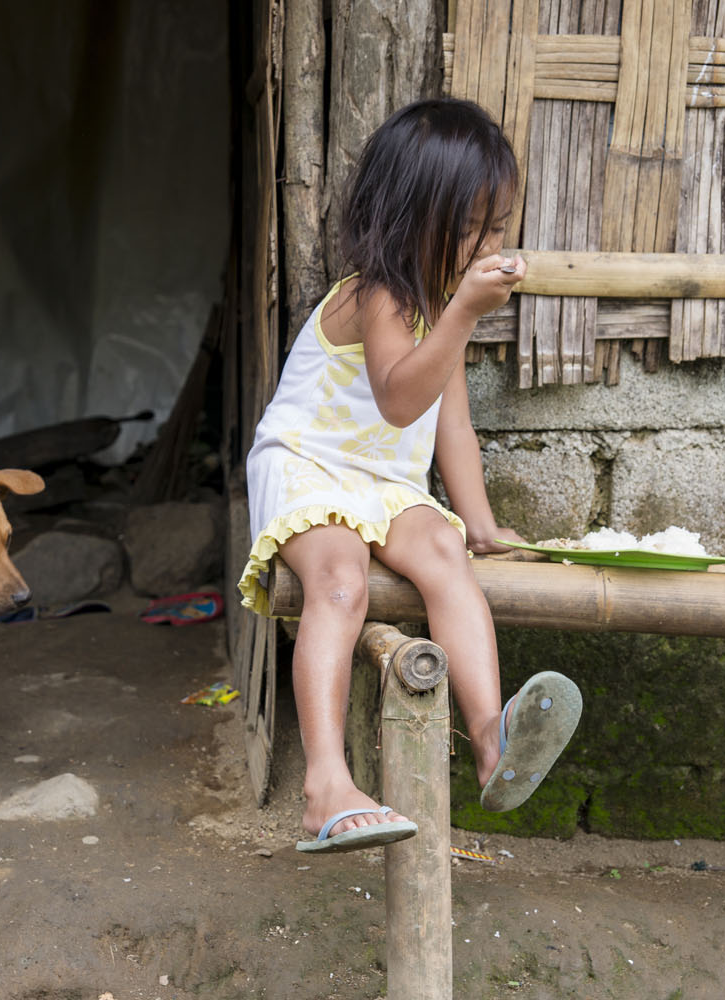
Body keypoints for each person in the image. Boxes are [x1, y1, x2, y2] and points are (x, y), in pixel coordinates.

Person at [236, 97, 582, 854]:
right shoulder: (379, 294)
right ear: (410, 219)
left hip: (384, 486)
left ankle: (492, 740)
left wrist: (480, 524)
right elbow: (399, 400)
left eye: (499, 226)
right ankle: (325, 783)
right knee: (339, 582)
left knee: (446, 553)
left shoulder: (434, 305)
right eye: (471, 228)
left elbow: (450, 423)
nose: (489, 245)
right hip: (310, 467)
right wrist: (464, 314)